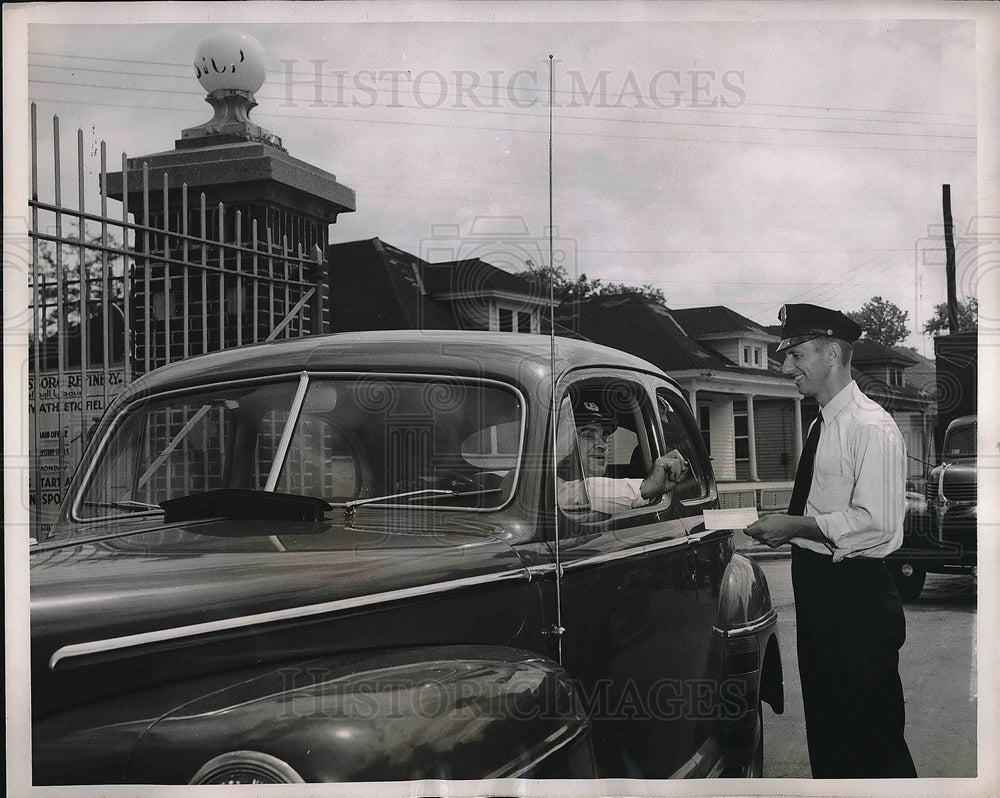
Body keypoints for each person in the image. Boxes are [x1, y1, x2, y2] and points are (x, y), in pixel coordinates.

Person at [746, 302, 917, 779]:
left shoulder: (870, 426)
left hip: (855, 598)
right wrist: (788, 523)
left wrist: (793, 526)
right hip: (821, 592)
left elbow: (878, 522)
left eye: (796, 354)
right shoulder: (823, 424)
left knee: (873, 743)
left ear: (833, 354)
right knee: (831, 735)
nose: (786, 368)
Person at [558, 392, 688, 514]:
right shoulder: (550, 487)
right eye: (588, 436)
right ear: (563, 444)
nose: (603, 445)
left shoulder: (611, 492)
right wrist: (646, 487)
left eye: (605, 436)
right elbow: (577, 492)